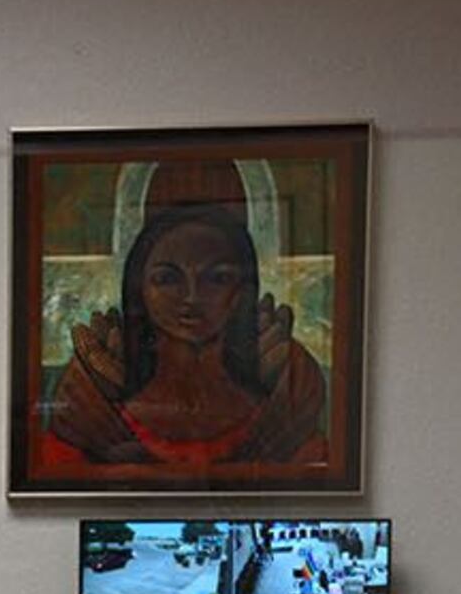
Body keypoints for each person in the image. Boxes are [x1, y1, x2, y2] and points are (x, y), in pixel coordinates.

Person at [32, 184, 326, 474]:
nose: (191, 296)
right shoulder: (88, 403)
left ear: (243, 292)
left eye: (218, 278)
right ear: (139, 289)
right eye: (167, 279)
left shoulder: (289, 401)